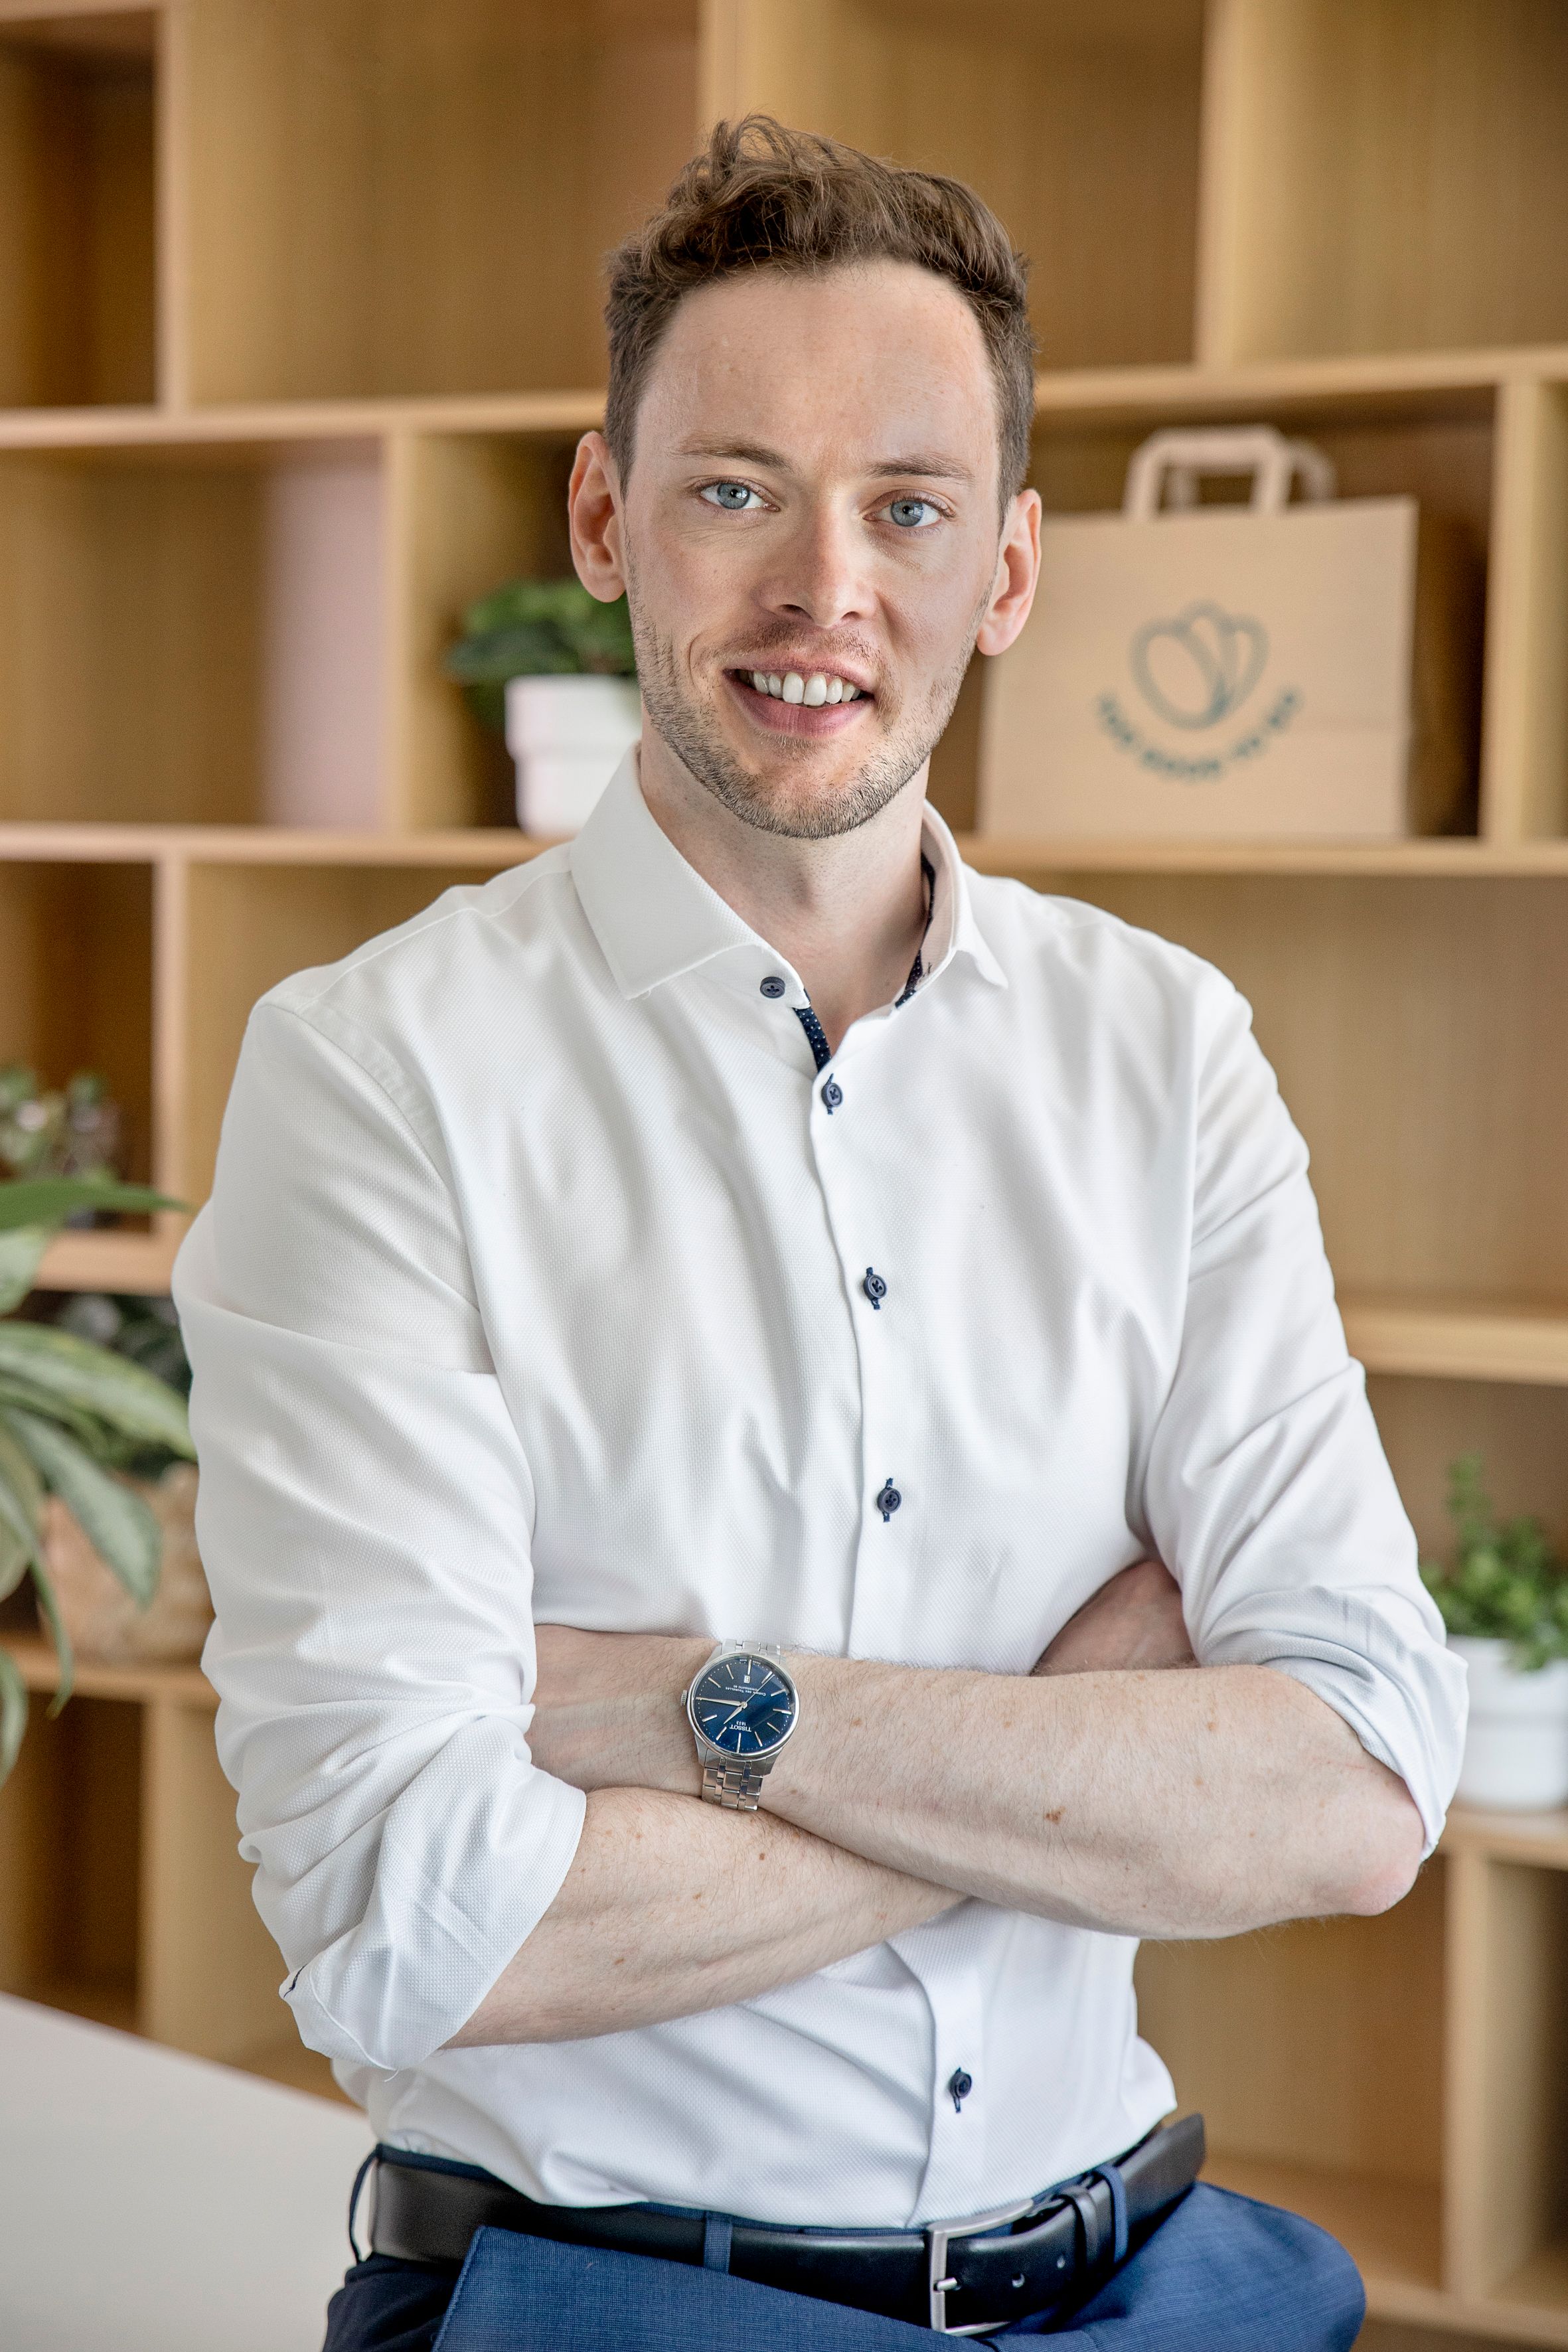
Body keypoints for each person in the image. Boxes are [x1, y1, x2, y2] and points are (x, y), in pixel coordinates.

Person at [175, 117, 1466, 2352]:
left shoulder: (1161, 1050)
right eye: (735, 489)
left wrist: (689, 1709)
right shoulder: (375, 1073)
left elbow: (1353, 1790)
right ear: (606, 517)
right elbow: (411, 1926)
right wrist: (1075, 1746)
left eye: (907, 508)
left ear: (1013, 569)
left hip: (1150, 2282)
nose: (821, 593)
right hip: (610, 2305)